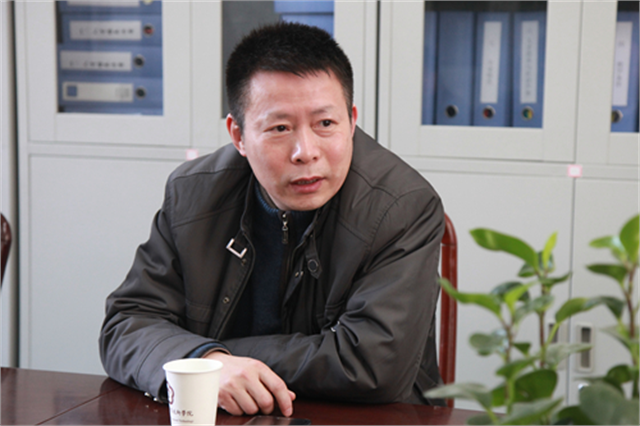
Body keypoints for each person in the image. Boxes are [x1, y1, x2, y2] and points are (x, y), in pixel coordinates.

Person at [100, 22, 445, 418]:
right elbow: (126, 324)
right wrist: (207, 359)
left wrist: (208, 360)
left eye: (325, 124)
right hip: (231, 415)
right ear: (238, 136)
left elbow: (373, 364)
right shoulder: (193, 194)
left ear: (351, 121)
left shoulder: (402, 207)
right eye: (280, 128)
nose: (305, 152)